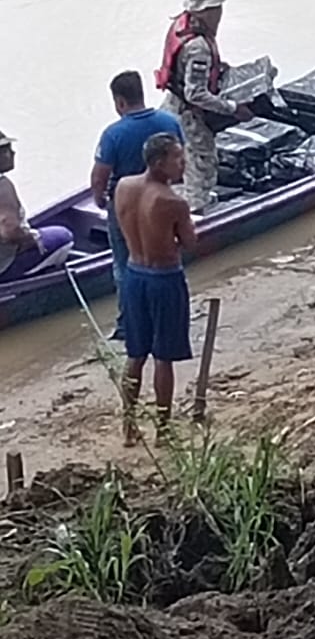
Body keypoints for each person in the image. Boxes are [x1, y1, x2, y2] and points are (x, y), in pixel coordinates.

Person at [114, 132, 197, 445]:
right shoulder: (173, 202)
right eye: (178, 157)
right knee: (164, 357)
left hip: (134, 275)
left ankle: (129, 425)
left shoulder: (124, 186)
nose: (183, 162)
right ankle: (163, 430)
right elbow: (189, 243)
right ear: (159, 163)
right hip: (163, 278)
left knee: (135, 354)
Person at [90, 71, 183, 343]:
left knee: (124, 265)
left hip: (125, 205)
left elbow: (100, 176)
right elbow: (181, 163)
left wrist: (100, 200)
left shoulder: (113, 134)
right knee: (164, 259)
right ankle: (164, 317)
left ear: (119, 101)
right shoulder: (169, 122)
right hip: (163, 204)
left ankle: (128, 324)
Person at [156, 0, 252, 214]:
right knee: (202, 164)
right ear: (204, 12)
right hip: (189, 116)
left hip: (170, 106)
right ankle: (197, 211)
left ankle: (175, 200)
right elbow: (195, 93)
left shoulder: (180, 25)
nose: (220, 14)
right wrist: (231, 107)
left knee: (176, 161)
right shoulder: (198, 46)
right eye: (215, 9)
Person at [0, 131, 74, 284]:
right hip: (3, 266)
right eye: (7, 150)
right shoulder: (3, 187)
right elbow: (10, 231)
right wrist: (32, 239)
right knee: (63, 236)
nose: (13, 153)